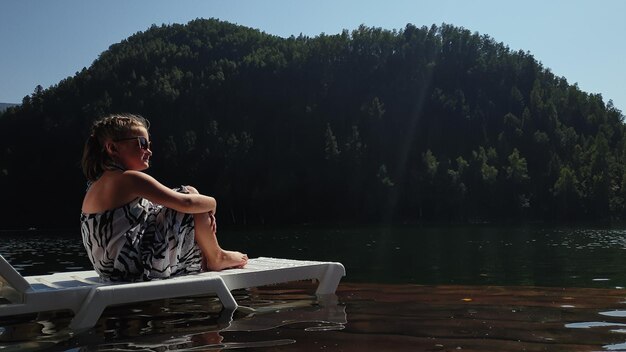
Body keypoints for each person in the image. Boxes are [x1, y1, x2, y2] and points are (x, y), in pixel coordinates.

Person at [80, 113, 247, 282]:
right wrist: (212, 204)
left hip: (112, 269)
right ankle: (216, 256)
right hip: (135, 266)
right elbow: (186, 202)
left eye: (149, 144)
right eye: (142, 143)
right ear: (112, 148)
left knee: (183, 201)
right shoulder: (128, 179)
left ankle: (210, 255)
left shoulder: (96, 184)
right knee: (189, 193)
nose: (149, 151)